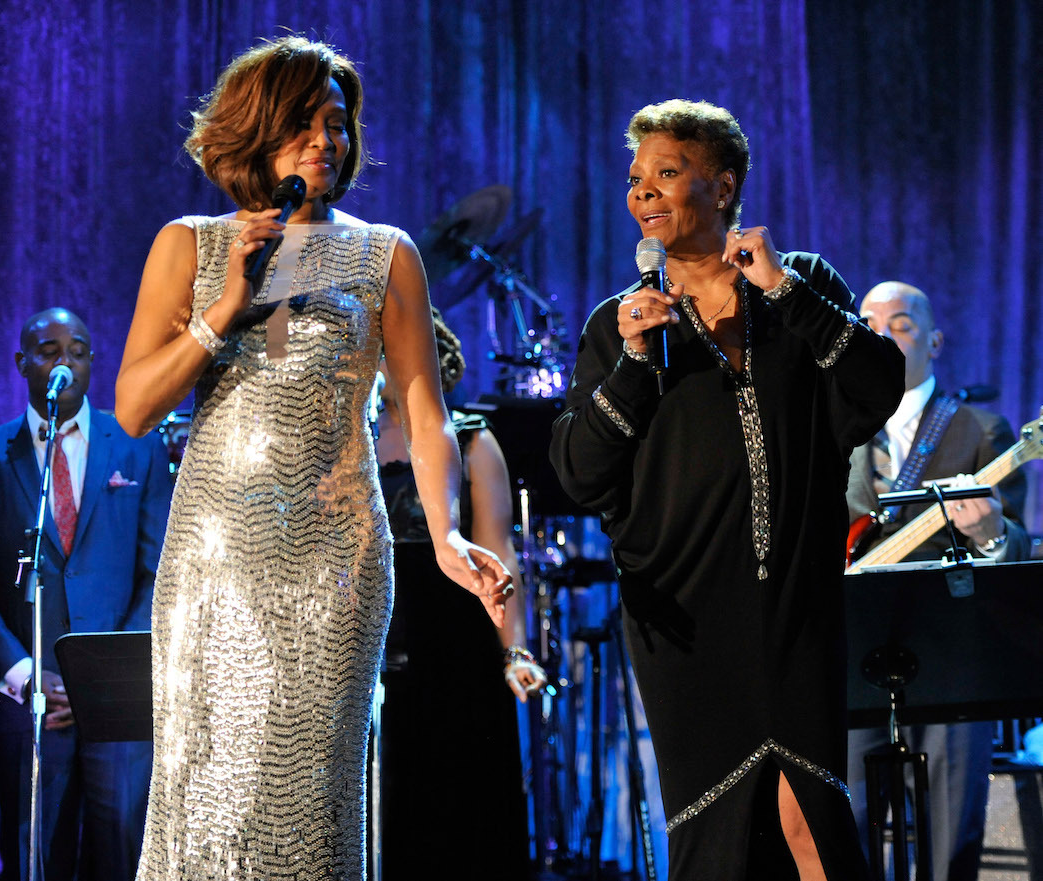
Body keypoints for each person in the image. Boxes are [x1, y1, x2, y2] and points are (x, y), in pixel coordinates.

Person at [113, 37, 513, 881]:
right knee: (207, 786)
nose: (326, 141)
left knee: (310, 794)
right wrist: (223, 309)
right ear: (258, 130)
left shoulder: (386, 254)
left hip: (337, 560)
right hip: (214, 559)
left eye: (338, 123)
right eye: (305, 123)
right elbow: (134, 406)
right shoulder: (188, 244)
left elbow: (425, 412)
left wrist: (446, 535)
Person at [549, 98, 904, 880]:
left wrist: (785, 292)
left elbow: (877, 387)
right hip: (684, 620)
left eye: (667, 174)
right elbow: (577, 470)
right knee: (719, 840)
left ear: (724, 187)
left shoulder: (799, 287)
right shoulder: (620, 324)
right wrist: (636, 366)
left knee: (811, 822)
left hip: (794, 611)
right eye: (636, 179)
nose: (643, 193)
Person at [0, 307, 172, 881]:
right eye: (48, 351)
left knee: (122, 847)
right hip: (31, 704)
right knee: (34, 854)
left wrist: (104, 677)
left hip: (117, 703)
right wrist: (24, 674)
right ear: (23, 363)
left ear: (93, 363)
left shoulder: (139, 449)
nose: (63, 362)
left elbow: (160, 571)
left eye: (77, 351)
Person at [845, 281, 1031, 881]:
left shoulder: (980, 430)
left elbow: (1019, 548)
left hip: (954, 653)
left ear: (934, 340)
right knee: (849, 826)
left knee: (953, 830)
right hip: (855, 653)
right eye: (869, 324)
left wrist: (989, 535)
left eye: (900, 324)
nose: (883, 336)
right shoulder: (832, 432)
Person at [374, 308, 545, 879]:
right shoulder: (350, 442)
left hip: (456, 646)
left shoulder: (473, 441)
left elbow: (500, 552)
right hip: (375, 643)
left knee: (463, 806)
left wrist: (514, 650)